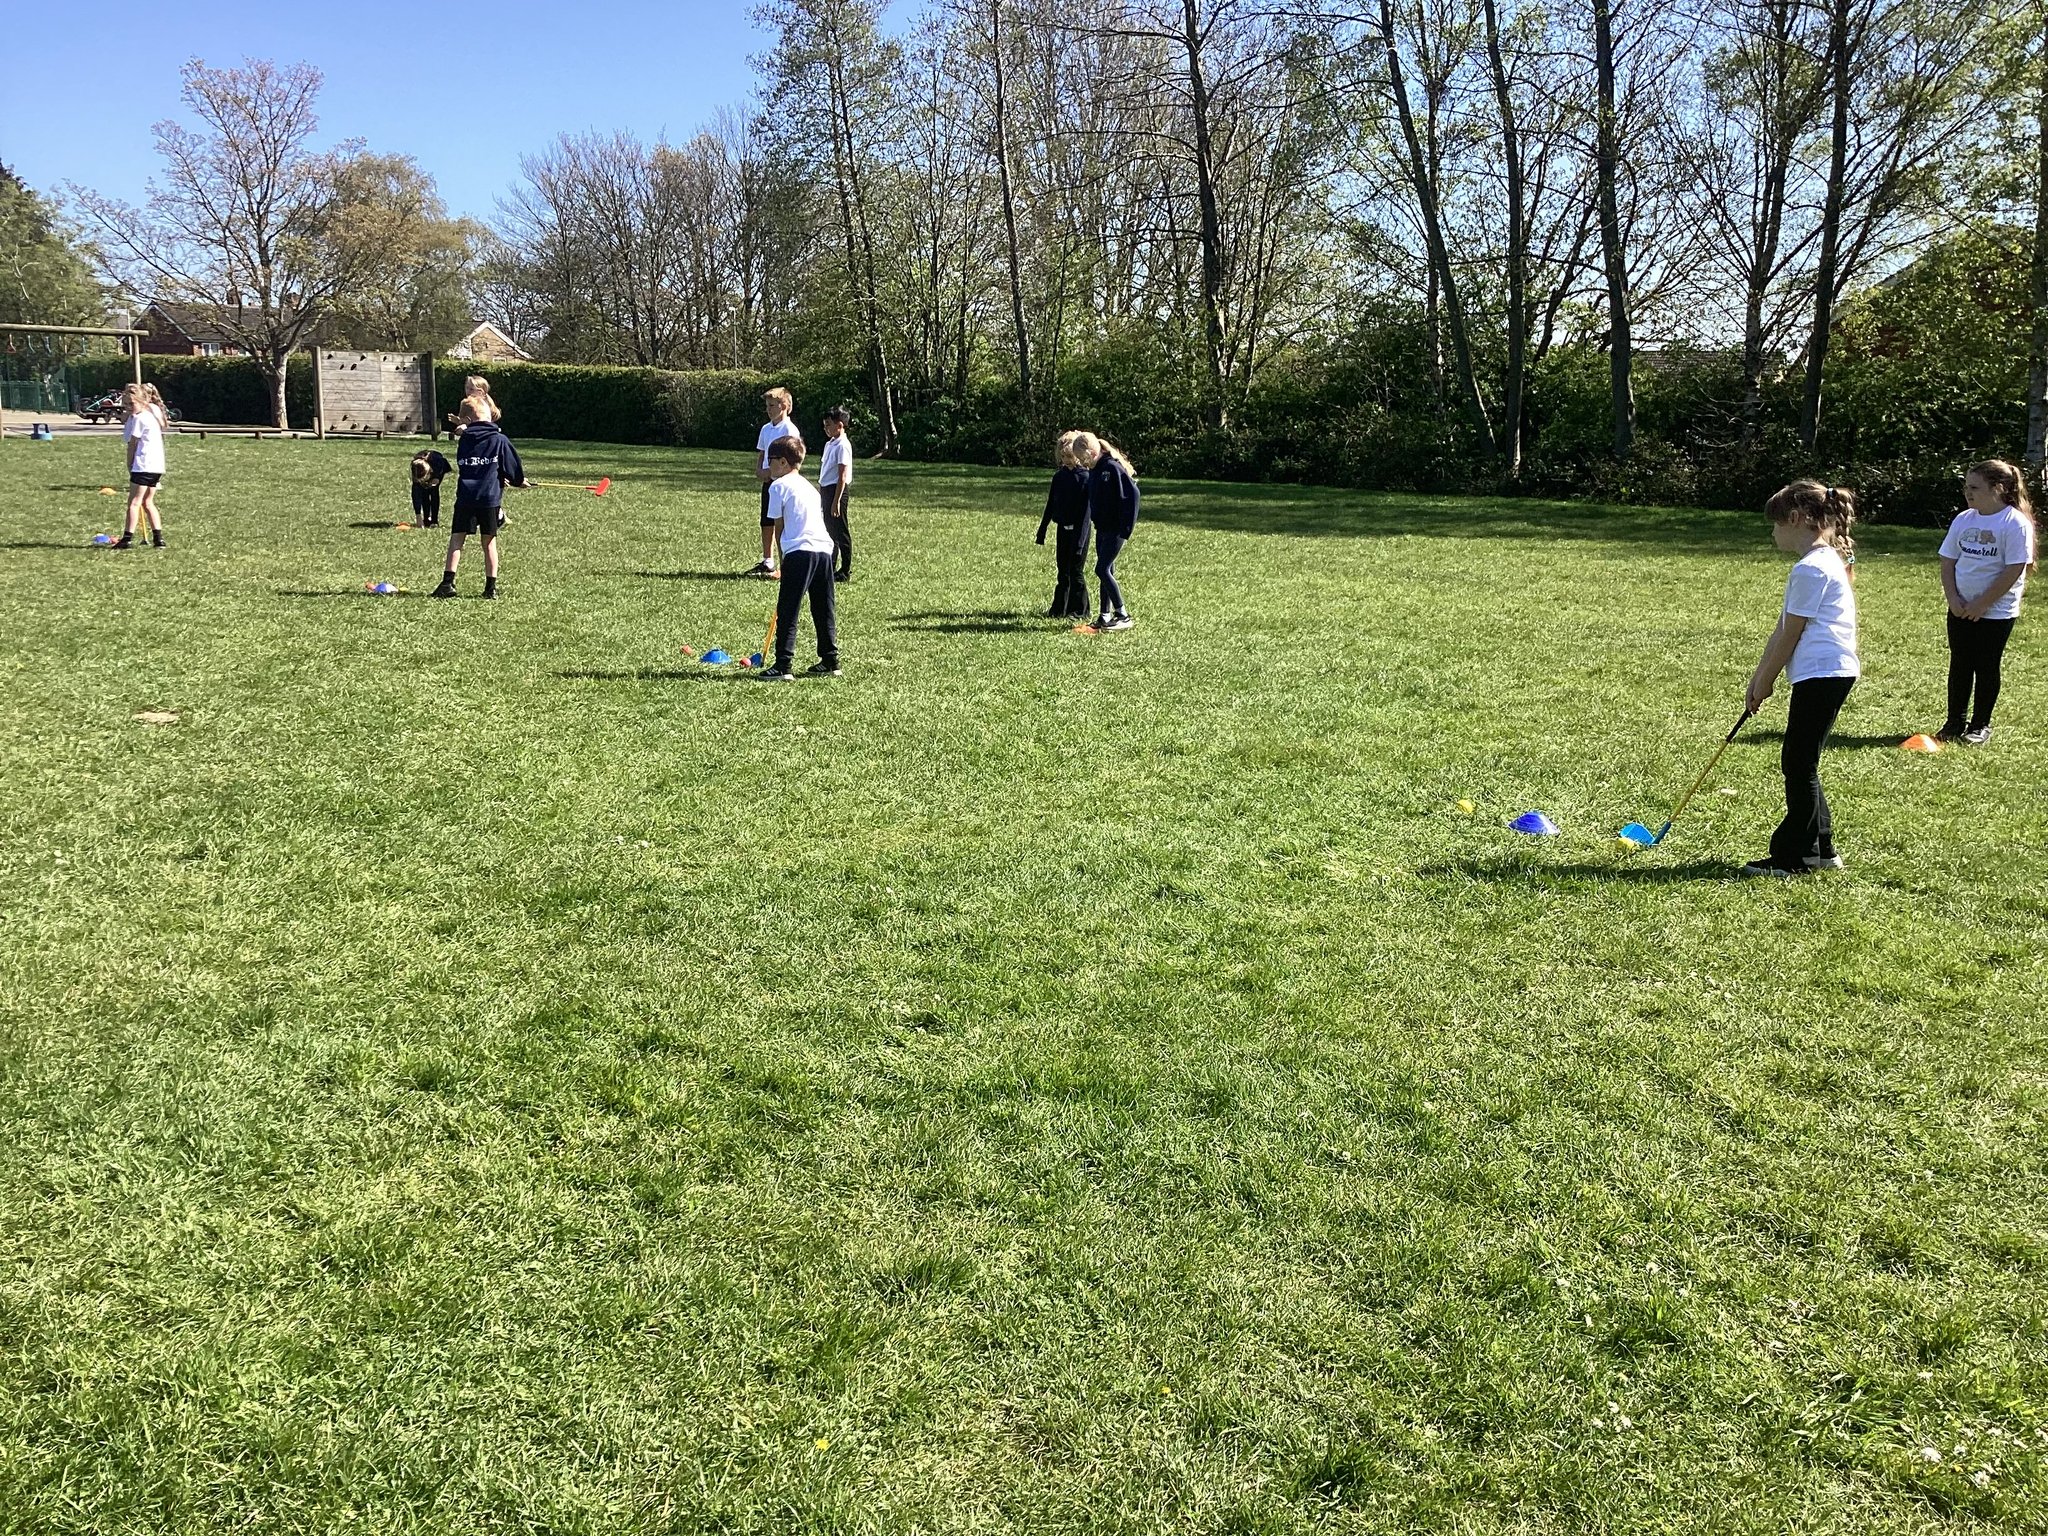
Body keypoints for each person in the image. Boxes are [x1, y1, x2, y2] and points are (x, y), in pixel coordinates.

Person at [1741, 480, 1860, 877]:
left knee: (1798, 763)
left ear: (1794, 519)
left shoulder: (1811, 568)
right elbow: (1781, 629)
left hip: (1824, 671)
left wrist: (1767, 681)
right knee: (1801, 761)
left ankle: (1796, 857)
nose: (1773, 534)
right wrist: (1759, 677)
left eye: (1775, 525)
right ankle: (1822, 850)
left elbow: (1791, 634)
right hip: (1824, 671)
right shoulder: (1822, 562)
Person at [1935, 458, 2035, 746]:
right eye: (1966, 486)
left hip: (1996, 611)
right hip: (1960, 606)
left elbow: (2014, 568)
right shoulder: (1964, 519)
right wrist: (1953, 598)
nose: (1968, 492)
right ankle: (1954, 722)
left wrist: (1983, 603)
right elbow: (1948, 561)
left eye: (1975, 487)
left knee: (1986, 665)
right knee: (1960, 663)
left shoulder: (2014, 523)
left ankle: (1980, 725)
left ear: (1998, 488)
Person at [758, 435, 840, 679]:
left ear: (783, 462)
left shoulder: (777, 486)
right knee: (823, 607)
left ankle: (783, 665)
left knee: (788, 608)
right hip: (823, 551)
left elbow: (779, 528)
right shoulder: (809, 488)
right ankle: (830, 660)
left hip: (799, 551)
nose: (768, 466)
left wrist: (783, 561)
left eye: (771, 460)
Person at [432, 398, 527, 600]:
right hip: (489, 499)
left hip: (466, 497)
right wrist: (517, 480)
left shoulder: (464, 440)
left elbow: (472, 465)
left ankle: (447, 583)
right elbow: (511, 466)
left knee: (457, 540)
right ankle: (490, 588)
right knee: (489, 542)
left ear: (466, 420)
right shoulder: (499, 439)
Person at [1075, 431, 1139, 630]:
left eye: (1082, 459)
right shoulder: (1095, 470)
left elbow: (1133, 495)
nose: (1082, 463)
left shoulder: (1111, 468)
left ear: (1091, 453)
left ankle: (1123, 615)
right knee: (1107, 570)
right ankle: (1105, 615)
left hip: (1116, 528)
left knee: (1101, 569)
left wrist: (1126, 528)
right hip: (1102, 527)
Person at [1036, 431, 1091, 619]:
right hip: (1063, 529)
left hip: (1079, 531)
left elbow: (1085, 514)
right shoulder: (1059, 477)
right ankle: (1059, 608)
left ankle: (1080, 610)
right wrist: (1042, 530)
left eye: (1070, 456)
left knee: (1076, 572)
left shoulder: (1085, 478)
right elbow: (1051, 504)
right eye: (1063, 456)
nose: (1066, 460)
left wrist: (1080, 542)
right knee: (1062, 571)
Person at [751, 387, 801, 576]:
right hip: (768, 482)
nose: (769, 410)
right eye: (767, 406)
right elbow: (762, 452)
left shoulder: (789, 429)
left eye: (772, 406)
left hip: (783, 483)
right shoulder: (766, 429)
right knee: (766, 520)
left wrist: (774, 472)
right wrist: (760, 469)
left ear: (784, 406)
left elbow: (794, 457)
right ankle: (767, 560)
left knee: (782, 521)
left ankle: (785, 561)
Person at [111, 383, 165, 550]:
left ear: (143, 401)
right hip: (156, 466)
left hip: (143, 465)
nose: (128, 407)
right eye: (126, 404)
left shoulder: (140, 419)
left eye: (132, 404)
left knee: (134, 502)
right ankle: (158, 539)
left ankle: (126, 539)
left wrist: (129, 463)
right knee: (148, 502)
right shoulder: (149, 416)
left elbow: (132, 444)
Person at [818, 405, 854, 581]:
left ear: (840, 425)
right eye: (824, 425)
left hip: (837, 491)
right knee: (829, 530)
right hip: (827, 489)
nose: (826, 428)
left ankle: (845, 570)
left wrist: (836, 501)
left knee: (841, 531)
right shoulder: (829, 444)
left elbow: (842, 476)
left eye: (829, 425)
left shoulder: (843, 446)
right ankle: (830, 565)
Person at [409, 447, 452, 528]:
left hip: (439, 468)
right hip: (426, 470)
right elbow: (415, 494)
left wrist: (437, 477)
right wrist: (418, 516)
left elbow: (443, 468)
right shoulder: (416, 467)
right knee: (423, 491)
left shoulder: (437, 462)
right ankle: (426, 519)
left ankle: (434, 520)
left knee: (433, 491)